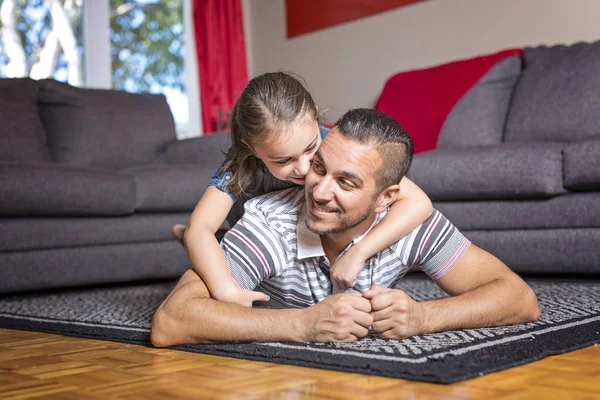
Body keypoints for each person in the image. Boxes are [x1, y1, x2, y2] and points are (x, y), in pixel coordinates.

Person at [150, 108, 540, 346]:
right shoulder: (271, 224)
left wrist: (423, 318)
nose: (318, 191)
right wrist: (303, 325)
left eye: (346, 183)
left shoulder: (410, 221)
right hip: (240, 234)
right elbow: (171, 322)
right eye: (318, 168)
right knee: (205, 242)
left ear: (387, 198)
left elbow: (520, 299)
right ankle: (189, 235)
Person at [174, 72, 433, 307]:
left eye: (311, 148)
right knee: (205, 241)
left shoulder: (331, 142)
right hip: (246, 230)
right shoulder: (241, 164)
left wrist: (359, 252)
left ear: (316, 118)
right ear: (251, 148)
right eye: (283, 160)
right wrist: (226, 291)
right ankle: (206, 237)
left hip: (299, 234)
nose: (303, 167)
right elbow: (201, 227)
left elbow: (419, 202)